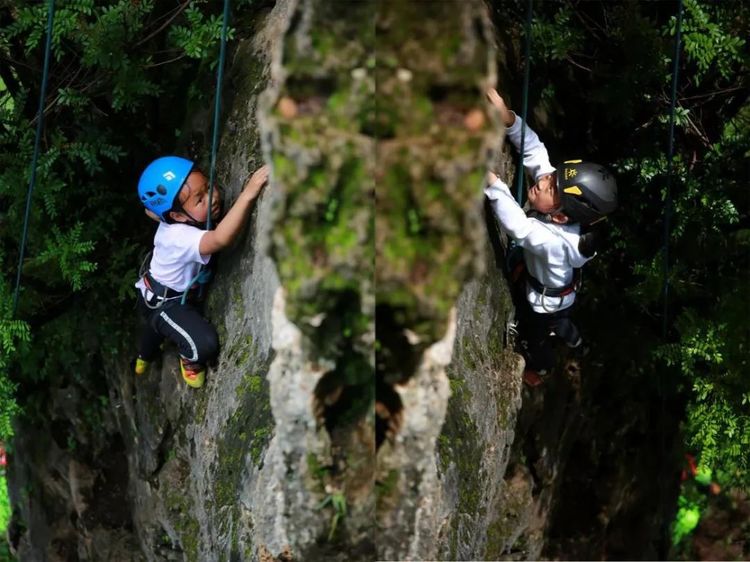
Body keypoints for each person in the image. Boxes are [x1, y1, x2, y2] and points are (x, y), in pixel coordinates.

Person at [485, 88, 617, 386]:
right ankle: (572, 335)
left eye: (551, 187)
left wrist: (491, 182)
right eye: (552, 177)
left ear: (560, 217)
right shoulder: (558, 201)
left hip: (544, 302)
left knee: (535, 338)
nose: (544, 180)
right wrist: (509, 119)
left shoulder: (556, 242)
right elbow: (535, 152)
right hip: (555, 288)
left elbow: (519, 227)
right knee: (559, 319)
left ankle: (543, 368)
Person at [134, 156, 269, 388]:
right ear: (176, 216)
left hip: (155, 291)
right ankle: (185, 360)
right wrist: (250, 192)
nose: (213, 197)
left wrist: (161, 208)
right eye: (200, 199)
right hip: (165, 304)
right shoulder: (179, 237)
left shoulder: (171, 215)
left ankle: (144, 355)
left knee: (154, 331)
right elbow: (220, 239)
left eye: (208, 187)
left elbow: (152, 213)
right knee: (203, 344)